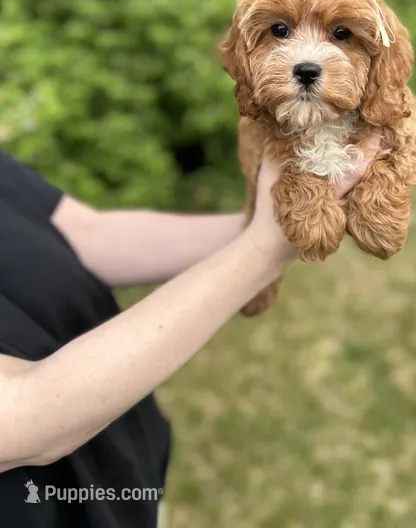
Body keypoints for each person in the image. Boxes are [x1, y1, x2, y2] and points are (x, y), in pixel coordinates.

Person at [0, 135, 380, 527]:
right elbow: (30, 413)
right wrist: (266, 247)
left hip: (124, 466)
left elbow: (85, 233)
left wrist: (276, 215)